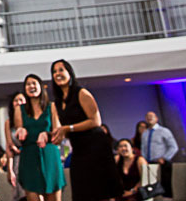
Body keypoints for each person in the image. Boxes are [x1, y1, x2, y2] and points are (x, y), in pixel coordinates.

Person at [50, 59, 121, 201]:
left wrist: (69, 128)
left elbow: (96, 121)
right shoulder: (57, 102)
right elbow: (59, 129)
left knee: (100, 191)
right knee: (82, 191)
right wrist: (51, 135)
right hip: (79, 148)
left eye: (61, 70)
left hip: (95, 146)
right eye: (54, 71)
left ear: (70, 73)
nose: (57, 74)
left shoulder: (81, 93)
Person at [14, 74, 64, 201]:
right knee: (32, 195)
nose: (31, 86)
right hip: (29, 155)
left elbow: (58, 132)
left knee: (54, 196)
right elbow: (19, 130)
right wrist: (20, 130)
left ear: (41, 87)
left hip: (49, 153)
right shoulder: (20, 109)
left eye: (34, 83)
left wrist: (47, 134)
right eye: (28, 84)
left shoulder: (51, 107)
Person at [139, 111, 177, 198]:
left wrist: (165, 158)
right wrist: (144, 159)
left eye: (152, 116)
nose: (150, 118)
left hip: (163, 164)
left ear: (156, 118)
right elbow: (143, 148)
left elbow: (174, 147)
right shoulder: (145, 133)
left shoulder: (164, 131)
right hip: (149, 164)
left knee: (165, 187)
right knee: (151, 188)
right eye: (147, 116)